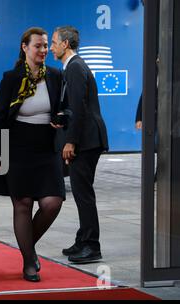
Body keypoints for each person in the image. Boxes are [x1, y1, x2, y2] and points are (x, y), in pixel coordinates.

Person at [0, 27, 66, 282]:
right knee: (23, 204)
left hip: (46, 147)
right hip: (17, 147)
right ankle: (29, 260)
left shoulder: (55, 76)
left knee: (52, 202)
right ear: (25, 48)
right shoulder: (11, 78)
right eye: (38, 46)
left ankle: (26, 247)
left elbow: (68, 109)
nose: (43, 50)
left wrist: (63, 118)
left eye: (45, 46)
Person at [50, 26, 109, 263]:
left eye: (54, 42)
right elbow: (73, 107)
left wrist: (71, 141)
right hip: (86, 138)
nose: (51, 47)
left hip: (86, 141)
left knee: (84, 194)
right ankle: (83, 239)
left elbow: (79, 109)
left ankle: (92, 246)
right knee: (81, 192)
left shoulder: (75, 67)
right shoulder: (73, 66)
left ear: (65, 44)